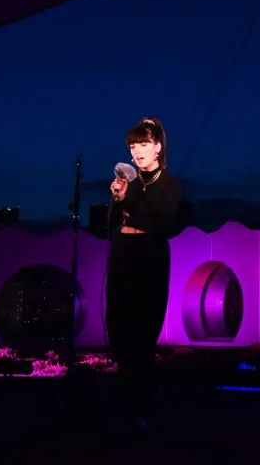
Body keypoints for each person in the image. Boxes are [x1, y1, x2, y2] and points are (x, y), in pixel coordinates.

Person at [107, 117, 182, 428]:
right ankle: (131, 399)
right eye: (133, 146)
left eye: (144, 144)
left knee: (143, 330)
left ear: (158, 147)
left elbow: (163, 224)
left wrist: (131, 201)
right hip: (124, 251)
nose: (137, 151)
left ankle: (141, 403)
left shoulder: (170, 184)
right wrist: (117, 198)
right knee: (119, 328)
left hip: (149, 256)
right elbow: (110, 222)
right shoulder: (131, 184)